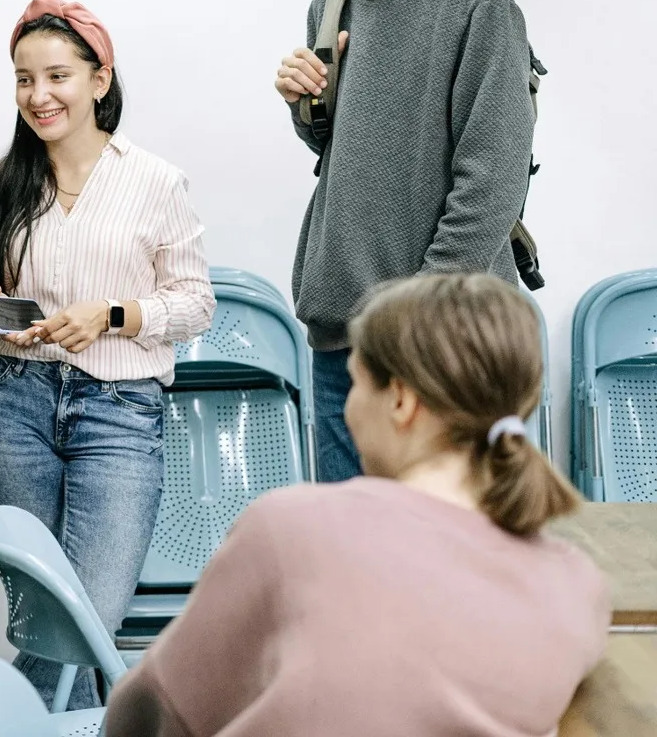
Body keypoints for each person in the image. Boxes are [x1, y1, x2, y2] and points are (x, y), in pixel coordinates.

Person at [104, 273, 608, 737]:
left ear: (400, 401)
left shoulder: (293, 527)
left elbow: (149, 714)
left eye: (356, 382)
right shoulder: (578, 587)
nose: (347, 406)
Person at [272, 0, 537, 482]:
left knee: (451, 567)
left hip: (441, 349)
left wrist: (413, 322)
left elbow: (492, 184)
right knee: (351, 568)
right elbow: (349, 154)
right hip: (342, 345)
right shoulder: (330, 1)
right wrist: (308, 108)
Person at [0, 0, 215, 710]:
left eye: (57, 76)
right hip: (13, 403)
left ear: (99, 80)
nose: (38, 96)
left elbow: (195, 304)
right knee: (39, 614)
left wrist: (112, 314)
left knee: (85, 617)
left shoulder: (156, 181)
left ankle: (9, 722)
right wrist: (2, 318)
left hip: (120, 411)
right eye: (23, 78)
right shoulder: (1, 180)